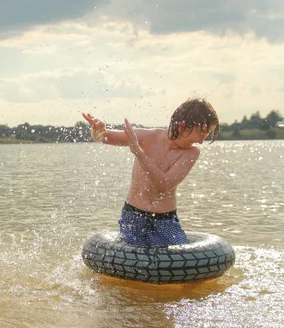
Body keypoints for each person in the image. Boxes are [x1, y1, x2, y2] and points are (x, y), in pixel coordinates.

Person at [82, 98, 219, 247]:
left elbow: (164, 185)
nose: (200, 141)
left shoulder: (191, 153)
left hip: (165, 221)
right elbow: (106, 138)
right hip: (132, 216)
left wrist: (139, 153)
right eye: (201, 135)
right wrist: (99, 131)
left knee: (178, 264)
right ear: (183, 127)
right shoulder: (149, 136)